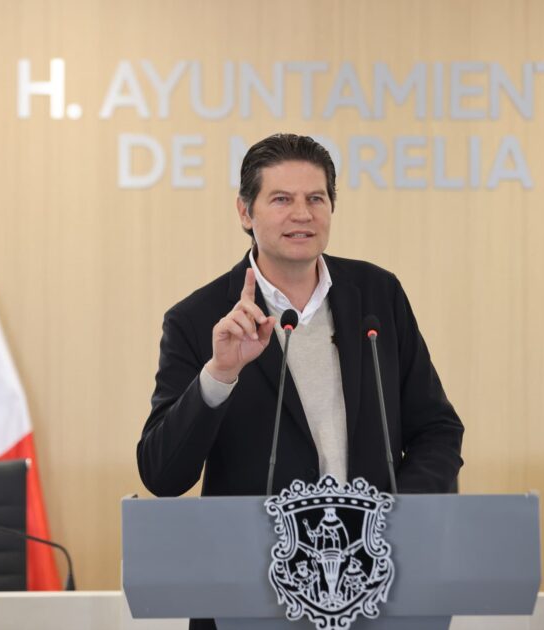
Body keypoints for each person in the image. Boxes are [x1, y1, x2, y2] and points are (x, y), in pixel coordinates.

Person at [136, 133, 464, 630]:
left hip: (375, 583)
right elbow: (162, 475)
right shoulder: (199, 318)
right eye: (281, 199)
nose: (302, 214)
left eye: (316, 198)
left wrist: (396, 518)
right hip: (252, 594)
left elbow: (437, 430)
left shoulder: (377, 296)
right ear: (245, 212)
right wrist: (219, 375)